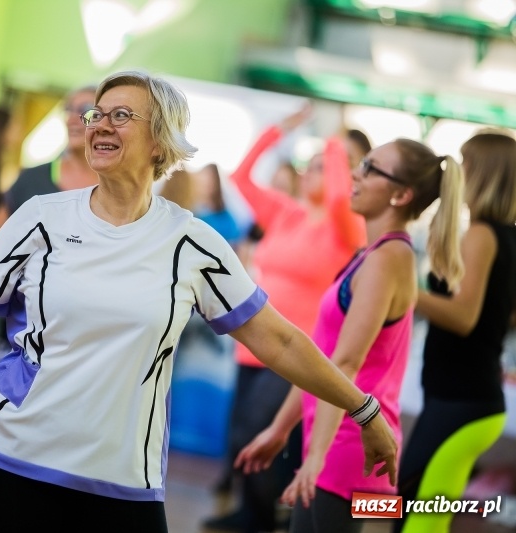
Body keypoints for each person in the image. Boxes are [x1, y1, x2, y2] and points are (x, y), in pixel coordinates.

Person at [0, 70, 397, 533]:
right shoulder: (41, 218)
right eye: (97, 112)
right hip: (9, 462)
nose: (99, 123)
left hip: (121, 482)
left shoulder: (191, 242)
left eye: (122, 115)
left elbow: (279, 338)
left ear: (160, 140)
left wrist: (364, 409)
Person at [236, 138, 464, 533]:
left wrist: (317, 458)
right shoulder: (371, 254)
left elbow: (345, 363)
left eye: (371, 169)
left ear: (402, 194)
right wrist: (281, 428)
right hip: (336, 444)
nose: (356, 175)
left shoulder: (390, 258)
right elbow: (320, 358)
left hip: (347, 454)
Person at [204, 106, 369, 533]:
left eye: (325, 167)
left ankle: (264, 519)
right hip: (252, 344)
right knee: (241, 436)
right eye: (310, 165)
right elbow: (240, 177)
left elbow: (338, 197)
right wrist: (279, 130)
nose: (315, 172)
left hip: (297, 348)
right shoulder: (287, 214)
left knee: (257, 433)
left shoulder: (344, 226)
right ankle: (253, 515)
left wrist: (334, 141)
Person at [395, 131, 516, 533]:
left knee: (409, 511)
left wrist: (402, 287)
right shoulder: (502, 235)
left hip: (461, 400)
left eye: (464, 164)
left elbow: (464, 318)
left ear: (484, 174)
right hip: (468, 399)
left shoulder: (484, 234)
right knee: (427, 514)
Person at [0, 85, 98, 234]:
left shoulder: (114, 189)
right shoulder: (32, 178)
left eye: (86, 110)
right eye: (68, 109)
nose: (72, 118)